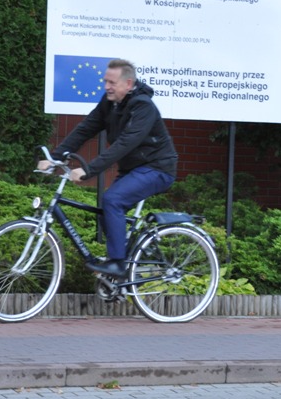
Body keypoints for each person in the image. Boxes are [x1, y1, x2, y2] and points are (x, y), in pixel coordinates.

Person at [38, 58, 177, 277]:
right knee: (107, 209)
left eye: (112, 82)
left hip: (157, 168)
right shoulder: (110, 103)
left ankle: (118, 264)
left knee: (113, 200)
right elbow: (85, 128)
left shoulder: (143, 107)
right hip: (133, 169)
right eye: (105, 81)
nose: (106, 87)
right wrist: (55, 158)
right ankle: (128, 269)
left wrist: (89, 170)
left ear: (128, 84)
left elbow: (125, 143)